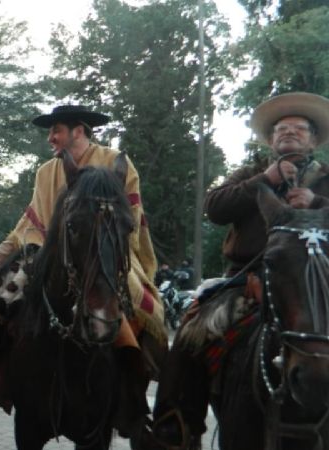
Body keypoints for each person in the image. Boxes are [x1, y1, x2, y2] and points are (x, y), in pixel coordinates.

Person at [0, 105, 165, 443]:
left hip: (108, 251)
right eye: (51, 131)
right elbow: (31, 220)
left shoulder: (116, 162)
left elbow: (133, 216)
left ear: (79, 131)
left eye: (56, 130)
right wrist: (0, 256)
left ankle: (135, 402)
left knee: (143, 313)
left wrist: (134, 258)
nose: (51, 137)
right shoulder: (45, 172)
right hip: (48, 253)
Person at [151, 92, 329, 448]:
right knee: (190, 333)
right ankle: (176, 428)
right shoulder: (251, 172)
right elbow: (213, 207)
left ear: (312, 139)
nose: (289, 133)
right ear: (272, 139)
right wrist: (264, 179)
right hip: (246, 283)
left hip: (319, 285)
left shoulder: (326, 180)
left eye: (298, 128)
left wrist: (318, 203)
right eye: (281, 129)